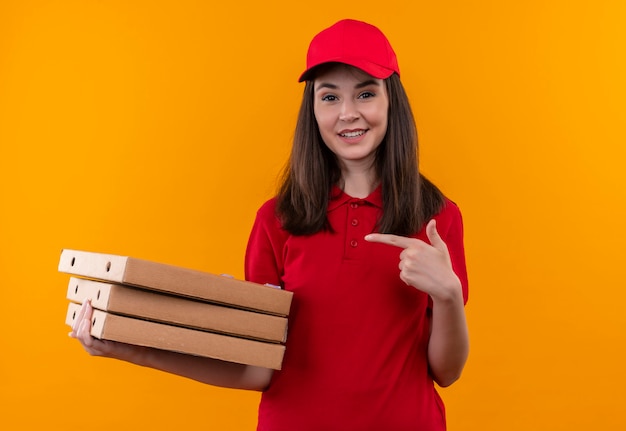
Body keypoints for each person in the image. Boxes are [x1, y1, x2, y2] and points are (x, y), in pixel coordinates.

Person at [70, 18, 469, 431]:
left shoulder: (437, 218)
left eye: (366, 93)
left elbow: (447, 371)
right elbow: (259, 371)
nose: (348, 113)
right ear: (312, 110)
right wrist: (130, 348)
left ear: (392, 102)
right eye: (329, 97)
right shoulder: (277, 220)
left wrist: (448, 295)